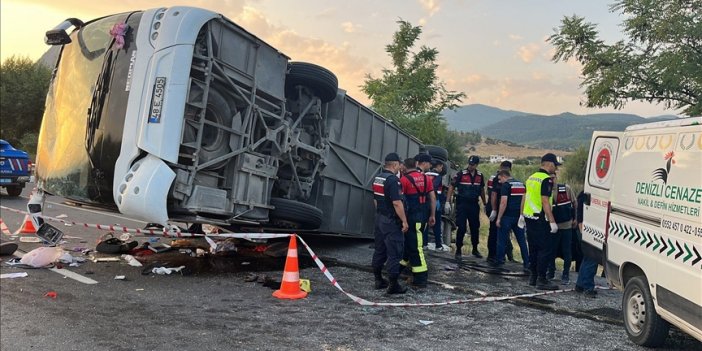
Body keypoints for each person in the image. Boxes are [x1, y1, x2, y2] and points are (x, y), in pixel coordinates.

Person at [519, 153, 560, 290]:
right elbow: (544, 201)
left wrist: (521, 215)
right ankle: (542, 279)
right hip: (541, 219)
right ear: (549, 164)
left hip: (529, 218)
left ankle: (533, 277)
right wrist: (552, 221)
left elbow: (525, 197)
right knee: (544, 250)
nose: (556, 169)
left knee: (533, 249)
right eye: (555, 166)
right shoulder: (546, 179)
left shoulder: (531, 178)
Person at [371, 152, 409, 294]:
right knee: (395, 252)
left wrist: (381, 212)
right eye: (400, 164)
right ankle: (393, 285)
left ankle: (378, 279)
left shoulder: (378, 178)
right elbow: (397, 203)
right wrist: (404, 221)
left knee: (380, 249)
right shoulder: (393, 180)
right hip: (391, 221)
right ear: (395, 164)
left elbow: (375, 199)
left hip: (380, 218)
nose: (401, 166)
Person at [399, 153, 436, 288]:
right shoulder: (427, 179)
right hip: (423, 216)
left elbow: (400, 201)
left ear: (404, 167)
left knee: (416, 247)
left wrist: (402, 219)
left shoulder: (404, 180)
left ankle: (421, 278)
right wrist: (432, 215)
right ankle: (399, 268)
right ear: (415, 165)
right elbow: (432, 198)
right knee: (410, 244)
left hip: (412, 217)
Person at [446, 155, 486, 260]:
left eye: (473, 165)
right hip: (462, 204)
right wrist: (447, 201)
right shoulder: (461, 174)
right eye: (469, 164)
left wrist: (485, 203)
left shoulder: (480, 175)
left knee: (475, 227)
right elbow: (452, 186)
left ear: (477, 165)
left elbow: (481, 189)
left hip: (473, 204)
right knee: (462, 228)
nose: (470, 166)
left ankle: (475, 249)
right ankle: (458, 249)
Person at [494, 170, 529, 271]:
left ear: (504, 176)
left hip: (507, 217)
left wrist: (499, 218)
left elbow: (503, 202)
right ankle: (527, 262)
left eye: (500, 179)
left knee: (501, 240)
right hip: (519, 217)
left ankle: (499, 261)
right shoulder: (521, 185)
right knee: (522, 241)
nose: (499, 182)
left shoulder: (506, 185)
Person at [546, 172, 577, 285]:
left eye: (553, 178)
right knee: (551, 250)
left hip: (566, 225)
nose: (551, 180)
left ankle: (565, 274)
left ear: (556, 178)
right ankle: (551, 271)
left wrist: (575, 218)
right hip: (552, 226)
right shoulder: (546, 191)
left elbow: (574, 203)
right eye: (549, 178)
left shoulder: (566, 188)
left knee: (567, 251)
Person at [487, 161, 514, 264]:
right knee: (494, 232)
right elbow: (493, 194)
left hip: (502, 209)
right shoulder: (496, 178)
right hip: (495, 208)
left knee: (503, 234)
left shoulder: (506, 178)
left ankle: (503, 256)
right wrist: (494, 210)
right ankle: (492, 255)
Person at [575, 190, 598, 298]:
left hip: (585, 229)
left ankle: (580, 285)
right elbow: (580, 213)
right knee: (592, 258)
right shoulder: (586, 194)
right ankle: (588, 287)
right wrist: (581, 228)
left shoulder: (584, 193)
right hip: (586, 229)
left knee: (587, 258)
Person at [424, 160, 447, 251]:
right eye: (441, 167)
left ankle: (424, 244)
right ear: (439, 166)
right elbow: (436, 190)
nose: (442, 169)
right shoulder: (438, 176)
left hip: (425, 201)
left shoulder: (425, 174)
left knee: (425, 223)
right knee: (436, 224)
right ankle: (438, 245)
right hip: (435, 201)